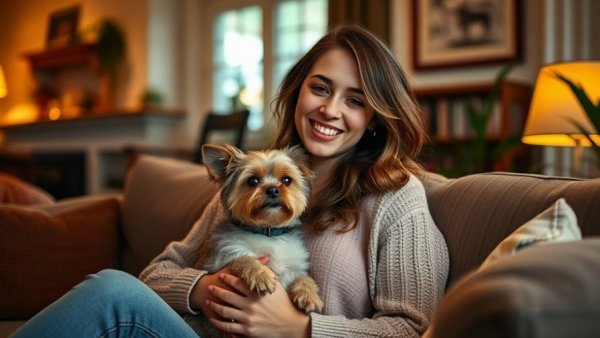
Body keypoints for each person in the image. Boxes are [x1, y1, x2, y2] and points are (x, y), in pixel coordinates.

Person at [11, 24, 449, 338]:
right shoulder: (244, 192)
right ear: (298, 91)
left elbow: (416, 327)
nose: (330, 109)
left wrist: (299, 328)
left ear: (374, 118)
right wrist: (203, 290)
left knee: (110, 294)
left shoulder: (396, 198)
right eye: (320, 88)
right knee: (114, 290)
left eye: (355, 100)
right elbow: (156, 274)